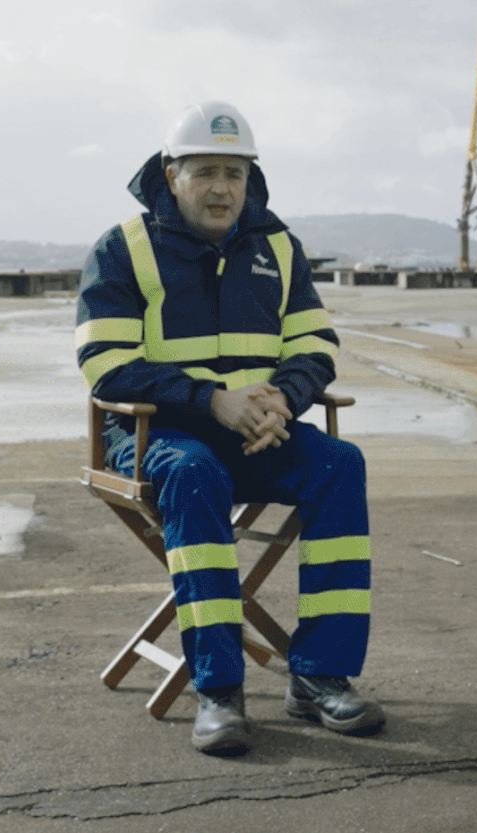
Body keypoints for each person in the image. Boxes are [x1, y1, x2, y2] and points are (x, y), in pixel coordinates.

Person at [76, 100, 381, 756]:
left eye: (234, 173)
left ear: (250, 179)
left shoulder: (278, 246)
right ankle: (218, 689)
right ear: (172, 174)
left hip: (256, 433)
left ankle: (320, 674)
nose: (221, 188)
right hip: (158, 439)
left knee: (340, 463)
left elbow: (315, 346)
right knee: (194, 472)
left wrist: (282, 402)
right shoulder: (122, 248)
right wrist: (212, 402)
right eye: (206, 172)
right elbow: (105, 366)